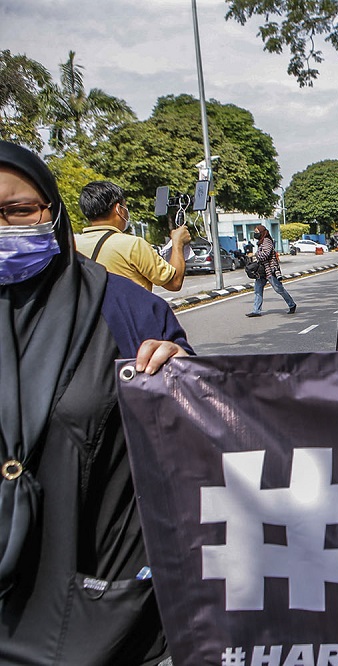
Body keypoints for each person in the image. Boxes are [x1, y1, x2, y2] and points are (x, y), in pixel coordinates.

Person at [0, 140, 191, 664]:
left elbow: (198, 420)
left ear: (55, 213)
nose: (3, 229)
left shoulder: (126, 309)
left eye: (17, 211)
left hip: (98, 601)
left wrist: (178, 367)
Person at [75, 181, 192, 291]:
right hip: (129, 312)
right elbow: (174, 283)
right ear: (119, 209)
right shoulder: (133, 245)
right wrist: (178, 243)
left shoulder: (72, 245)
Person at [246, 223, 296, 317]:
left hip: (270, 270)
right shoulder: (261, 242)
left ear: (262, 232)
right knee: (258, 290)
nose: (255, 233)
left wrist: (255, 255)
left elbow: (266, 254)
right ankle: (256, 310)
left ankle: (292, 304)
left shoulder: (267, 241)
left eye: (257, 232)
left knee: (279, 289)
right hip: (261, 271)